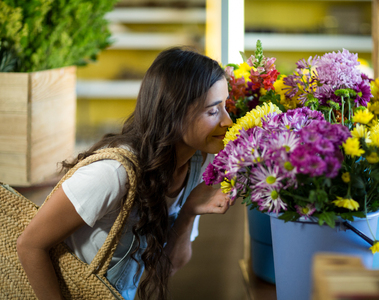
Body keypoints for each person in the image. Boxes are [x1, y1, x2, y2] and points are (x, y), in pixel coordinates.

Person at [16, 47, 234, 300]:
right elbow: (30, 245)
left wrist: (188, 212)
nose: (227, 121)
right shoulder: (113, 173)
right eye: (213, 111)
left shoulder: (196, 165)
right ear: (174, 111)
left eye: (225, 106)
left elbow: (171, 265)